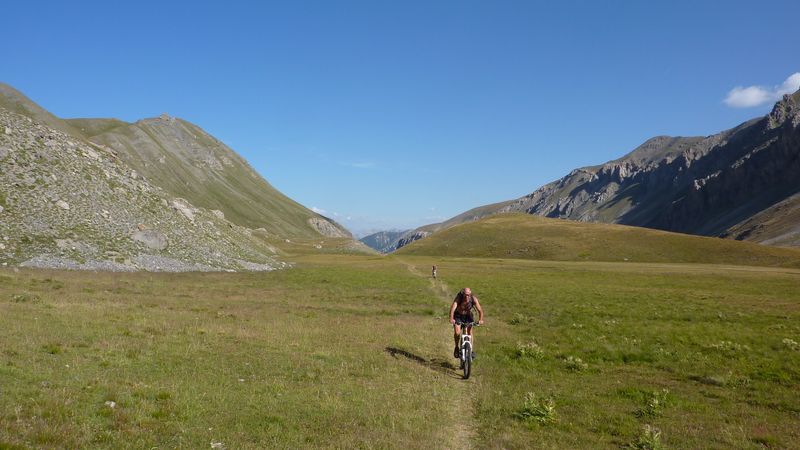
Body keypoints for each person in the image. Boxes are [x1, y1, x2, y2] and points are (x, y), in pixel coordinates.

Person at [449, 287, 484, 358]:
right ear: (463, 294)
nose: (467, 296)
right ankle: (456, 347)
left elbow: (480, 310)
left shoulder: (473, 299)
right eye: (465, 294)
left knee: (469, 332)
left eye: (468, 295)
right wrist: (451, 318)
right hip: (458, 315)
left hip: (468, 316)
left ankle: (471, 350)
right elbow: (452, 309)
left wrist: (481, 320)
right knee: (457, 332)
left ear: (470, 294)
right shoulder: (459, 298)